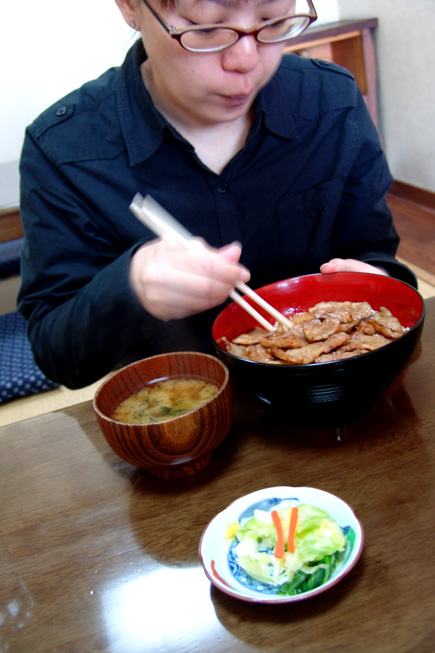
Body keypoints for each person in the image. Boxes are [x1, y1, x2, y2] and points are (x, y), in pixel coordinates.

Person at [18, 0, 417, 389]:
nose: (246, 60)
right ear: (130, 6)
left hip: (336, 393)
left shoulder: (332, 102)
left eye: (272, 20)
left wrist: (378, 284)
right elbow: (57, 355)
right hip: (183, 424)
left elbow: (375, 253)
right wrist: (130, 288)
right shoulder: (63, 151)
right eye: (206, 27)